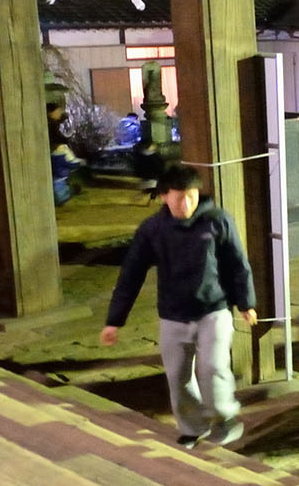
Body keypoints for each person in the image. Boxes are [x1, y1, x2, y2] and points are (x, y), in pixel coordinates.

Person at [101, 164, 255, 448]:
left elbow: (237, 264)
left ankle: (225, 417)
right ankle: (192, 426)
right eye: (179, 197)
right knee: (177, 376)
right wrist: (115, 320)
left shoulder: (217, 221)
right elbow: (131, 273)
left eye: (192, 196)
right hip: (173, 313)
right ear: (164, 196)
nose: (186, 203)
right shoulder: (152, 230)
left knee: (213, 367)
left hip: (213, 309)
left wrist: (246, 303)